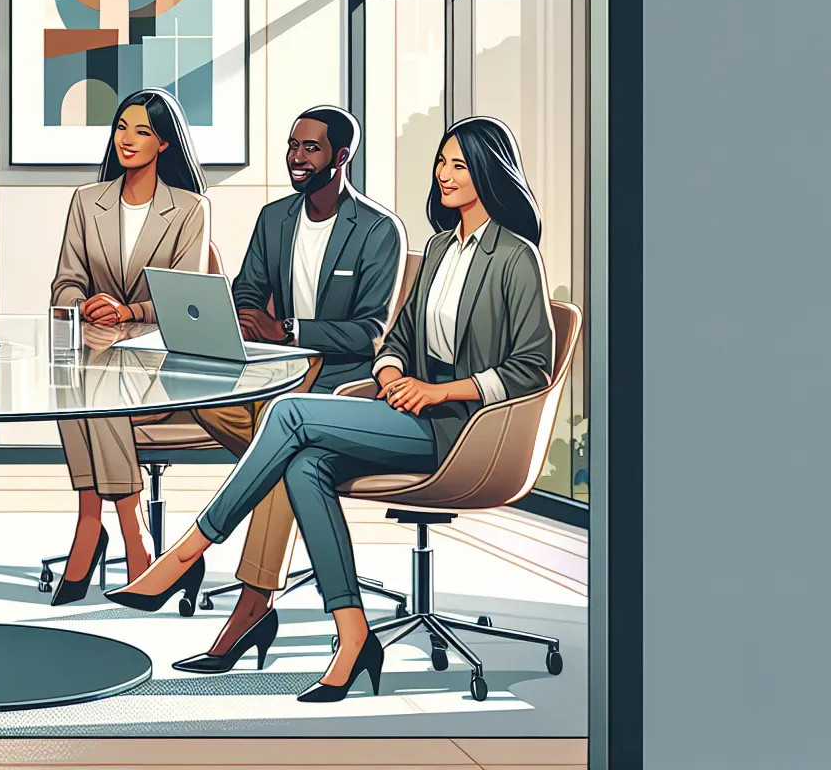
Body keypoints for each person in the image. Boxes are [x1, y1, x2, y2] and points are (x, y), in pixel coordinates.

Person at [106, 115, 554, 703]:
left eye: (459, 165)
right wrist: (393, 371)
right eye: (441, 163)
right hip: (404, 411)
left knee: (289, 418)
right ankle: (353, 635)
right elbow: (397, 335)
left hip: (464, 431)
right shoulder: (442, 247)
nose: (443, 175)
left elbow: (534, 366)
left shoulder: (514, 256)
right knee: (300, 464)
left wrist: (440, 391)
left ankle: (185, 555)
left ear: (490, 173)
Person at [176, 106, 405, 671]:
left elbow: (370, 331)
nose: (296, 159)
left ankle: (252, 606)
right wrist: (250, 319)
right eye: (292, 146)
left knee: (287, 444)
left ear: (342, 156)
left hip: (343, 382)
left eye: (311, 149)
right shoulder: (274, 218)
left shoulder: (378, 230)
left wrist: (288, 330)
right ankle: (269, 471)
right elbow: (245, 290)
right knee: (202, 399)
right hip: (276, 372)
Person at [45, 88, 211, 603]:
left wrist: (129, 311)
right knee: (74, 376)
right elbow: (63, 283)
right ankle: (114, 534)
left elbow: (187, 299)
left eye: (143, 131)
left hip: (161, 360)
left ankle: (109, 533)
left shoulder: (189, 208)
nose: (128, 139)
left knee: (92, 386)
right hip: (99, 350)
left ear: (164, 142)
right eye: (121, 127)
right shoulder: (86, 201)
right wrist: (86, 300)